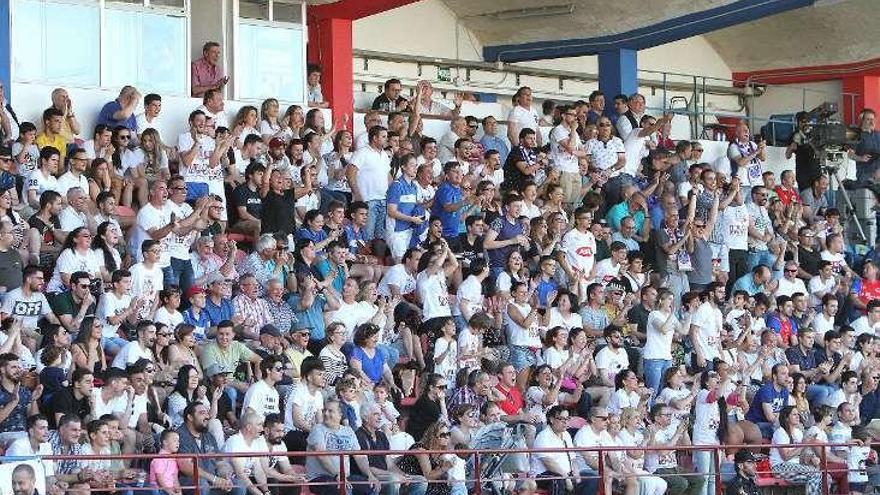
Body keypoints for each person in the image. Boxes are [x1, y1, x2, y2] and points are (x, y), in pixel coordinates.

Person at [306, 399, 379, 495]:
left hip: (345, 477)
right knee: (344, 490)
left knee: (371, 487)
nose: (326, 414)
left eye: (330, 411)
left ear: (340, 414)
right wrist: (337, 475)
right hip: (320, 478)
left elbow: (359, 456)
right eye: (324, 410)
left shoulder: (348, 431)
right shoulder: (317, 429)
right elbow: (321, 456)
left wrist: (370, 475)